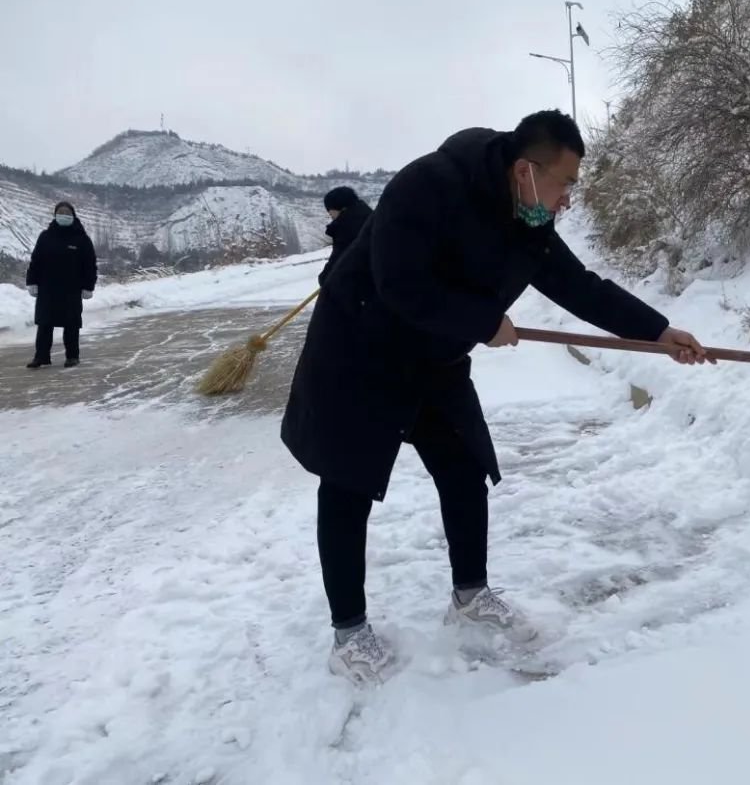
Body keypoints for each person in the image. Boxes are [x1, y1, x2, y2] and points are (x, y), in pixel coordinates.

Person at [280, 109, 712, 685]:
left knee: (464, 468)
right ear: (524, 169)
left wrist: (657, 332)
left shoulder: (526, 223)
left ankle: (469, 596)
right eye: (564, 184)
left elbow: (579, 286)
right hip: (359, 351)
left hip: (436, 357)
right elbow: (398, 284)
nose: (566, 200)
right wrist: (484, 320)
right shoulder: (427, 185)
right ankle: (349, 633)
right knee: (347, 484)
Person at [25, 201, 98, 369]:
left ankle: (72, 356)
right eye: (60, 212)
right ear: (55, 215)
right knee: (44, 324)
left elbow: (90, 264)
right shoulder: (45, 237)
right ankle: (41, 357)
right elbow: (35, 261)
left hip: (71, 289)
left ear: (73, 215)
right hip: (47, 288)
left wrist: (89, 285)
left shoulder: (81, 239)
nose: (63, 215)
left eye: (67, 212)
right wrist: (32, 281)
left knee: (71, 324)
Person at [318, 186, 373, 286]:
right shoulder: (370, 219)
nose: (331, 216)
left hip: (361, 288)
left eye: (330, 212)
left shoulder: (346, 227)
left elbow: (340, 260)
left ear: (340, 207)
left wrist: (324, 277)